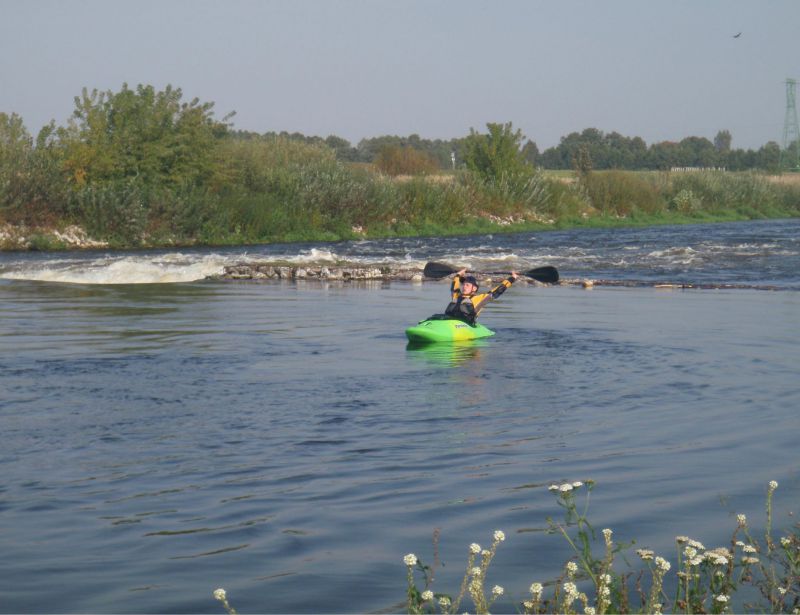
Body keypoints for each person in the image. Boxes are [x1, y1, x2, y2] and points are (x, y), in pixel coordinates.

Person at [443, 268, 519, 325]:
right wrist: (458, 275)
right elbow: (454, 287)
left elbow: (498, 290)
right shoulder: (457, 296)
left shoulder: (480, 298)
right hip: (451, 321)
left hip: (467, 324)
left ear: (474, 288)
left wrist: (512, 278)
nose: (464, 287)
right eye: (464, 285)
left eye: (467, 285)